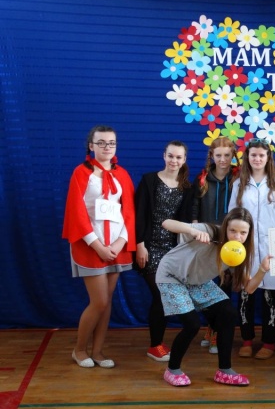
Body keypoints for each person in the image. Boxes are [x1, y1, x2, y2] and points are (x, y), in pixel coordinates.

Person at [157, 207, 269, 387]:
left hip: (197, 281)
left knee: (228, 313)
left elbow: (248, 288)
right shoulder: (210, 231)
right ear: (225, 228)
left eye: (243, 233)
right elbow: (166, 223)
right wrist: (193, 231)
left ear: (249, 234)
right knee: (192, 324)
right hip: (172, 276)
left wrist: (262, 269)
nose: (237, 237)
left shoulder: (239, 252)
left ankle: (224, 370)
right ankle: (172, 369)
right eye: (232, 231)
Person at [62, 125, 136, 369]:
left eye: (111, 143)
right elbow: (77, 212)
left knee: (107, 301)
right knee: (100, 302)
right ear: (91, 146)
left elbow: (129, 211)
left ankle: (98, 351)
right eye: (101, 142)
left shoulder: (122, 174)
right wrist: (98, 246)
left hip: (116, 246)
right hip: (91, 246)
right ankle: (79, 349)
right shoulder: (81, 173)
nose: (107, 147)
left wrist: (120, 242)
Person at [228, 138, 275, 360]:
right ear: (247, 157)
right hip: (244, 248)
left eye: (261, 155)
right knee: (245, 295)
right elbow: (232, 216)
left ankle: (269, 342)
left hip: (272, 248)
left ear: (268, 158)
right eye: (253, 155)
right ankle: (247, 341)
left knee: (271, 298)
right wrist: (234, 244)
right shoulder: (239, 183)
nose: (257, 159)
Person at [134, 141, 192, 363]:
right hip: (150, 248)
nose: (174, 160)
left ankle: (157, 343)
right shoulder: (149, 180)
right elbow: (139, 214)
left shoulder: (187, 187)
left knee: (165, 297)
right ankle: (155, 346)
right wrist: (140, 245)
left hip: (173, 251)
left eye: (178, 157)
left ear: (184, 160)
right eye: (170, 156)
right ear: (164, 156)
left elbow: (185, 222)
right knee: (160, 294)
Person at [192, 137, 238, 354]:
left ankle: (219, 332)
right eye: (218, 155)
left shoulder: (239, 178)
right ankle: (211, 327)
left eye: (227, 155)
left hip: (230, 239)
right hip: (206, 238)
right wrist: (195, 231)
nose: (223, 160)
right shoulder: (202, 179)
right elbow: (194, 207)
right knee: (205, 287)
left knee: (224, 287)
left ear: (233, 156)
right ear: (212, 156)